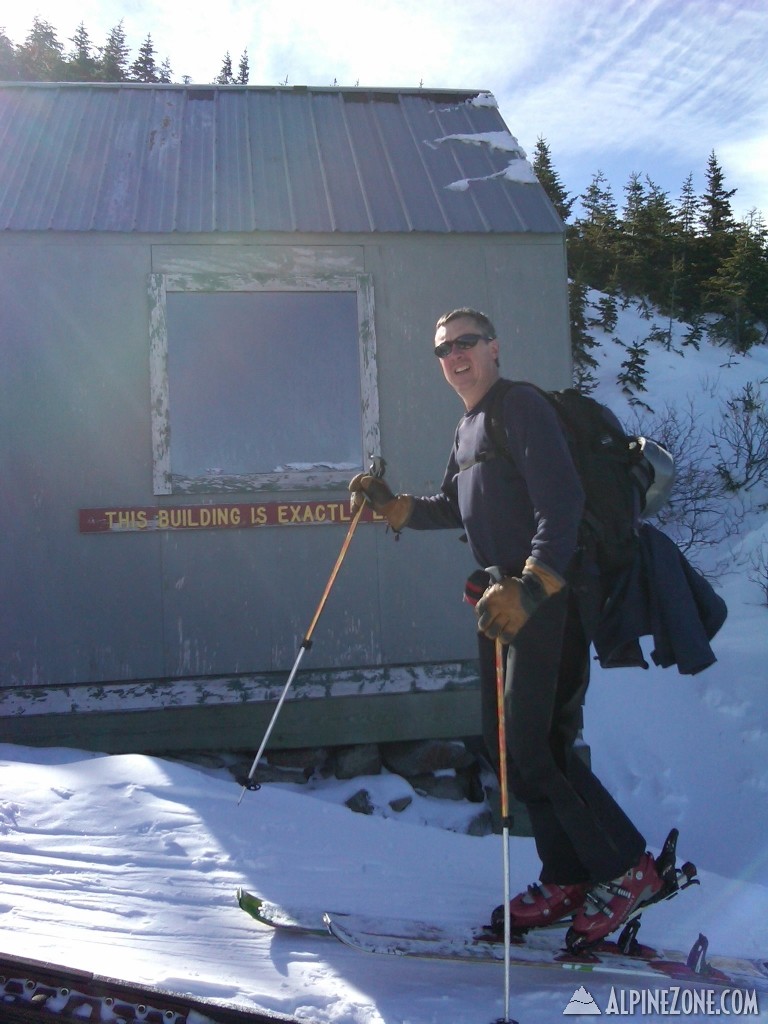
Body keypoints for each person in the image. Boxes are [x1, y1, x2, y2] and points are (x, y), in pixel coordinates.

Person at [349, 307, 662, 949]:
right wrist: (400, 507)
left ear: (494, 346)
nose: (454, 355)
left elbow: (564, 503)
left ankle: (626, 867)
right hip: (504, 599)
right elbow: (454, 504)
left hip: (544, 597)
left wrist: (534, 585)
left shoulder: (519, 407)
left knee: (531, 741)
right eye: (443, 349)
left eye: (466, 342)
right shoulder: (469, 427)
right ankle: (570, 874)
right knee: (511, 744)